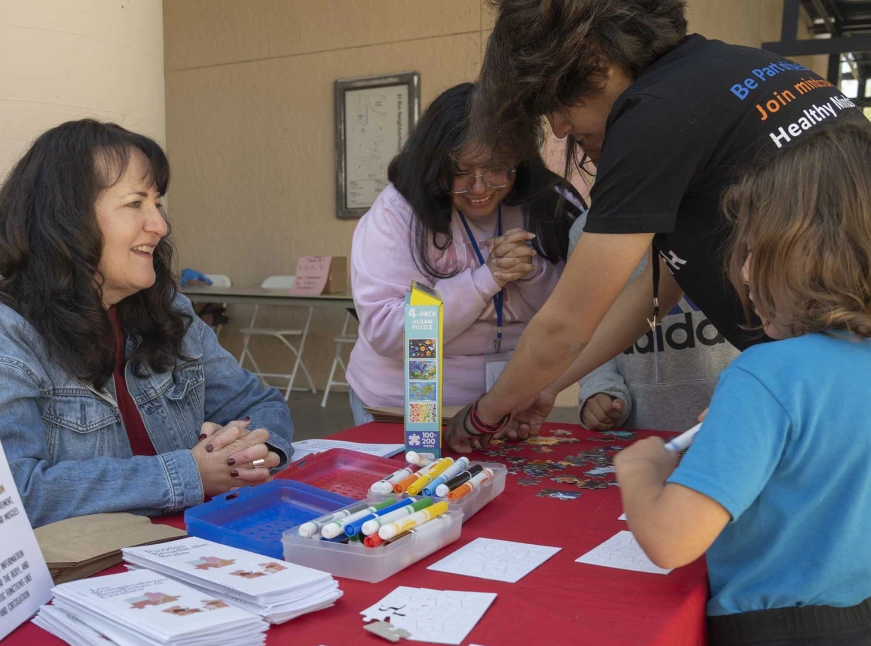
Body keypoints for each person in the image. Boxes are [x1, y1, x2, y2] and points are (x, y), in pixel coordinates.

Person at [445, 0, 869, 449]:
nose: (559, 126)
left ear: (594, 60)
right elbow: (659, 288)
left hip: (832, 394)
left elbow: (565, 322)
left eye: (556, 102)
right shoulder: (744, 72)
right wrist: (545, 386)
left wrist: (482, 416)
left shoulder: (652, 113)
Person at [614, 122, 871, 646]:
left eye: (756, 250)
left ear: (803, 254)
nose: (744, 272)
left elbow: (672, 541)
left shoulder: (764, 373)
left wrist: (640, 469)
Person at [0, 120, 293, 527]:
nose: (160, 226)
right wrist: (190, 474)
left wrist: (252, 450)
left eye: (157, 204)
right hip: (82, 580)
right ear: (64, 218)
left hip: (194, 553)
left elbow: (260, 404)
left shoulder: (168, 309)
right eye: (135, 204)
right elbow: (10, 493)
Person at [346, 82, 585, 425]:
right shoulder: (397, 212)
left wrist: (531, 273)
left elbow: (576, 311)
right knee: (413, 477)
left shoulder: (551, 203)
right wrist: (484, 281)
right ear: (434, 165)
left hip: (511, 402)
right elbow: (388, 330)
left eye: (497, 169)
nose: (479, 189)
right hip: (406, 406)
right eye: (460, 172)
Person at [571, 213, 739, 432]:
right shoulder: (589, 229)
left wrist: (752, 393)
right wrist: (600, 387)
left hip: (734, 423)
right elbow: (584, 326)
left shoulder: (735, 209)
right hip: (637, 430)